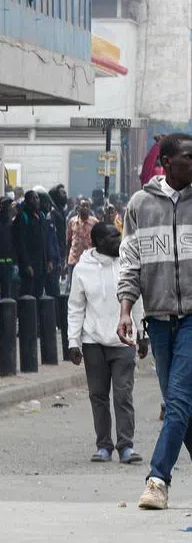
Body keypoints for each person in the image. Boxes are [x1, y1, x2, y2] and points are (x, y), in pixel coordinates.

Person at [118, 133, 192, 511]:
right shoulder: (139, 205)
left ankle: (158, 479)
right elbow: (130, 261)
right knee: (179, 404)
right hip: (160, 319)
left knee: (177, 402)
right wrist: (125, 310)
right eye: (187, 157)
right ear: (166, 161)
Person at [68, 222, 146, 464]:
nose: (119, 239)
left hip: (123, 341)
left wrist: (143, 334)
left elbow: (138, 300)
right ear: (99, 242)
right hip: (93, 341)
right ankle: (103, 446)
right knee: (99, 395)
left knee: (123, 395)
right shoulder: (82, 269)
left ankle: (126, 447)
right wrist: (74, 342)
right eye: (114, 237)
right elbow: (75, 307)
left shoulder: (127, 263)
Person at [12, 190, 48, 297]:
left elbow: (45, 240)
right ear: (27, 201)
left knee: (39, 292)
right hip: (29, 263)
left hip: (41, 263)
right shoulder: (22, 217)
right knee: (27, 293)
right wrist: (26, 264)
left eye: (37, 198)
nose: (36, 201)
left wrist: (48, 259)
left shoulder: (41, 215)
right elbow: (20, 243)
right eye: (33, 198)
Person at [38, 188, 65, 297]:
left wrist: (60, 259)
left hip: (55, 259)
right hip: (48, 261)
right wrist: (50, 260)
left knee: (54, 292)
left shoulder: (56, 214)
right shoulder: (47, 217)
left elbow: (56, 240)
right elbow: (48, 242)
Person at [66, 197, 96, 276]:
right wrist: (66, 261)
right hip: (73, 260)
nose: (85, 208)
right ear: (78, 207)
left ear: (90, 208)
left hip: (89, 261)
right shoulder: (72, 221)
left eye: (87, 206)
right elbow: (69, 241)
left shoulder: (94, 222)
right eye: (83, 206)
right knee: (71, 286)